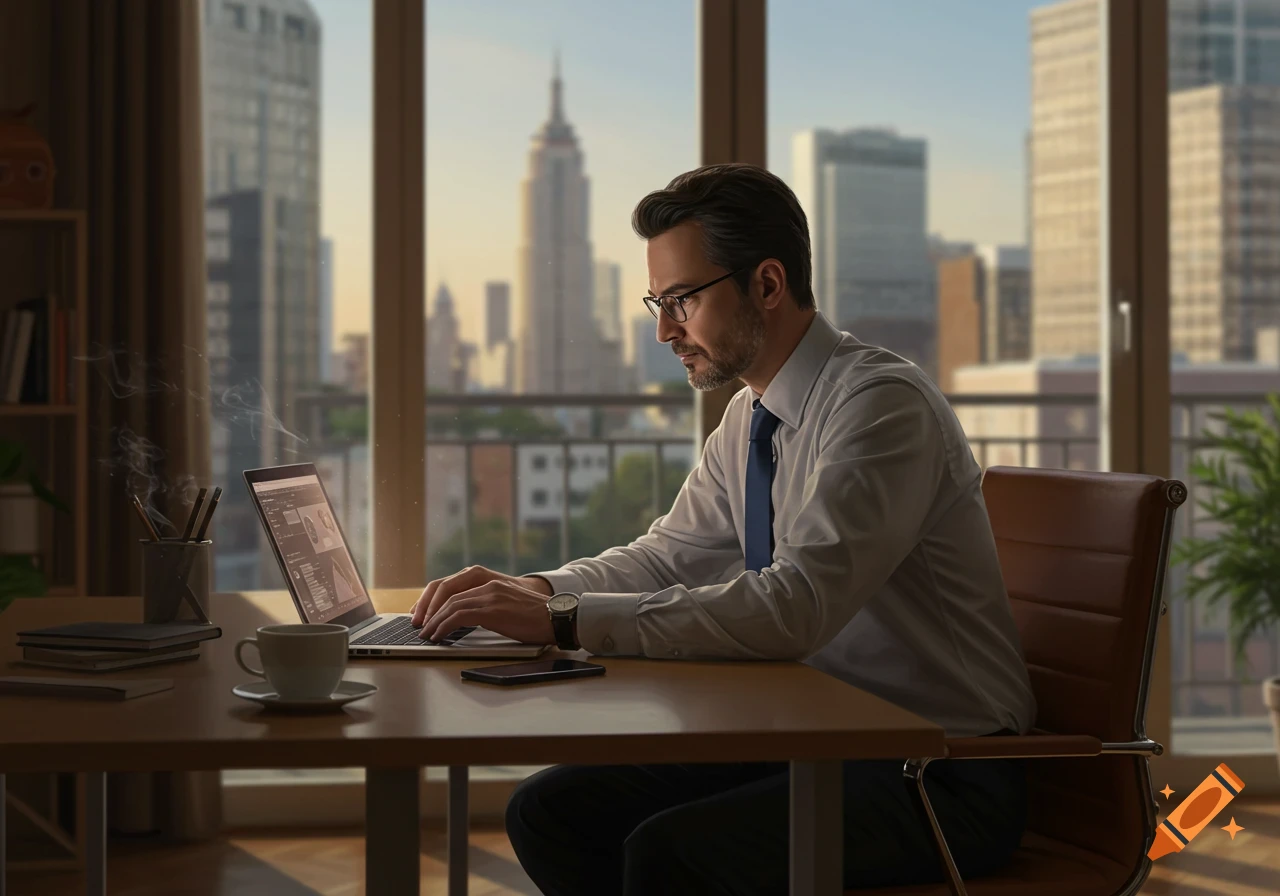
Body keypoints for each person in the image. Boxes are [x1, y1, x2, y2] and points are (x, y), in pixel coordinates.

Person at [410, 163, 1037, 895]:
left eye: (680, 300)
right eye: (658, 302)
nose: (661, 331)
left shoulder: (880, 406)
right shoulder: (750, 415)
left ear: (766, 285)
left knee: (672, 855)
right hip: (820, 733)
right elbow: (666, 557)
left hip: (941, 766)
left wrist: (561, 619)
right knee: (550, 811)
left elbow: (794, 607)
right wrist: (536, 589)